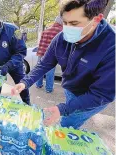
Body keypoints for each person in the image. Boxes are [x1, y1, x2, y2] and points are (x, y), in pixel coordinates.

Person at [11, 0, 115, 129]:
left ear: (96, 19)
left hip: (91, 96)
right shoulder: (61, 38)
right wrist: (25, 82)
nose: (68, 28)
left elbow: (102, 94)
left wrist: (63, 109)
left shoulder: (111, 46)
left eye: (74, 23)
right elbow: (44, 64)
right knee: (68, 113)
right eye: (65, 22)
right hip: (70, 87)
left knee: (67, 123)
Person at [35, 16, 63, 93]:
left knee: (40, 70)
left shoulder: (46, 30)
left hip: (41, 53)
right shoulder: (61, 31)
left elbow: (40, 43)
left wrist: (39, 53)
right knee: (50, 72)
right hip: (51, 55)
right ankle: (49, 88)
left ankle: (38, 84)